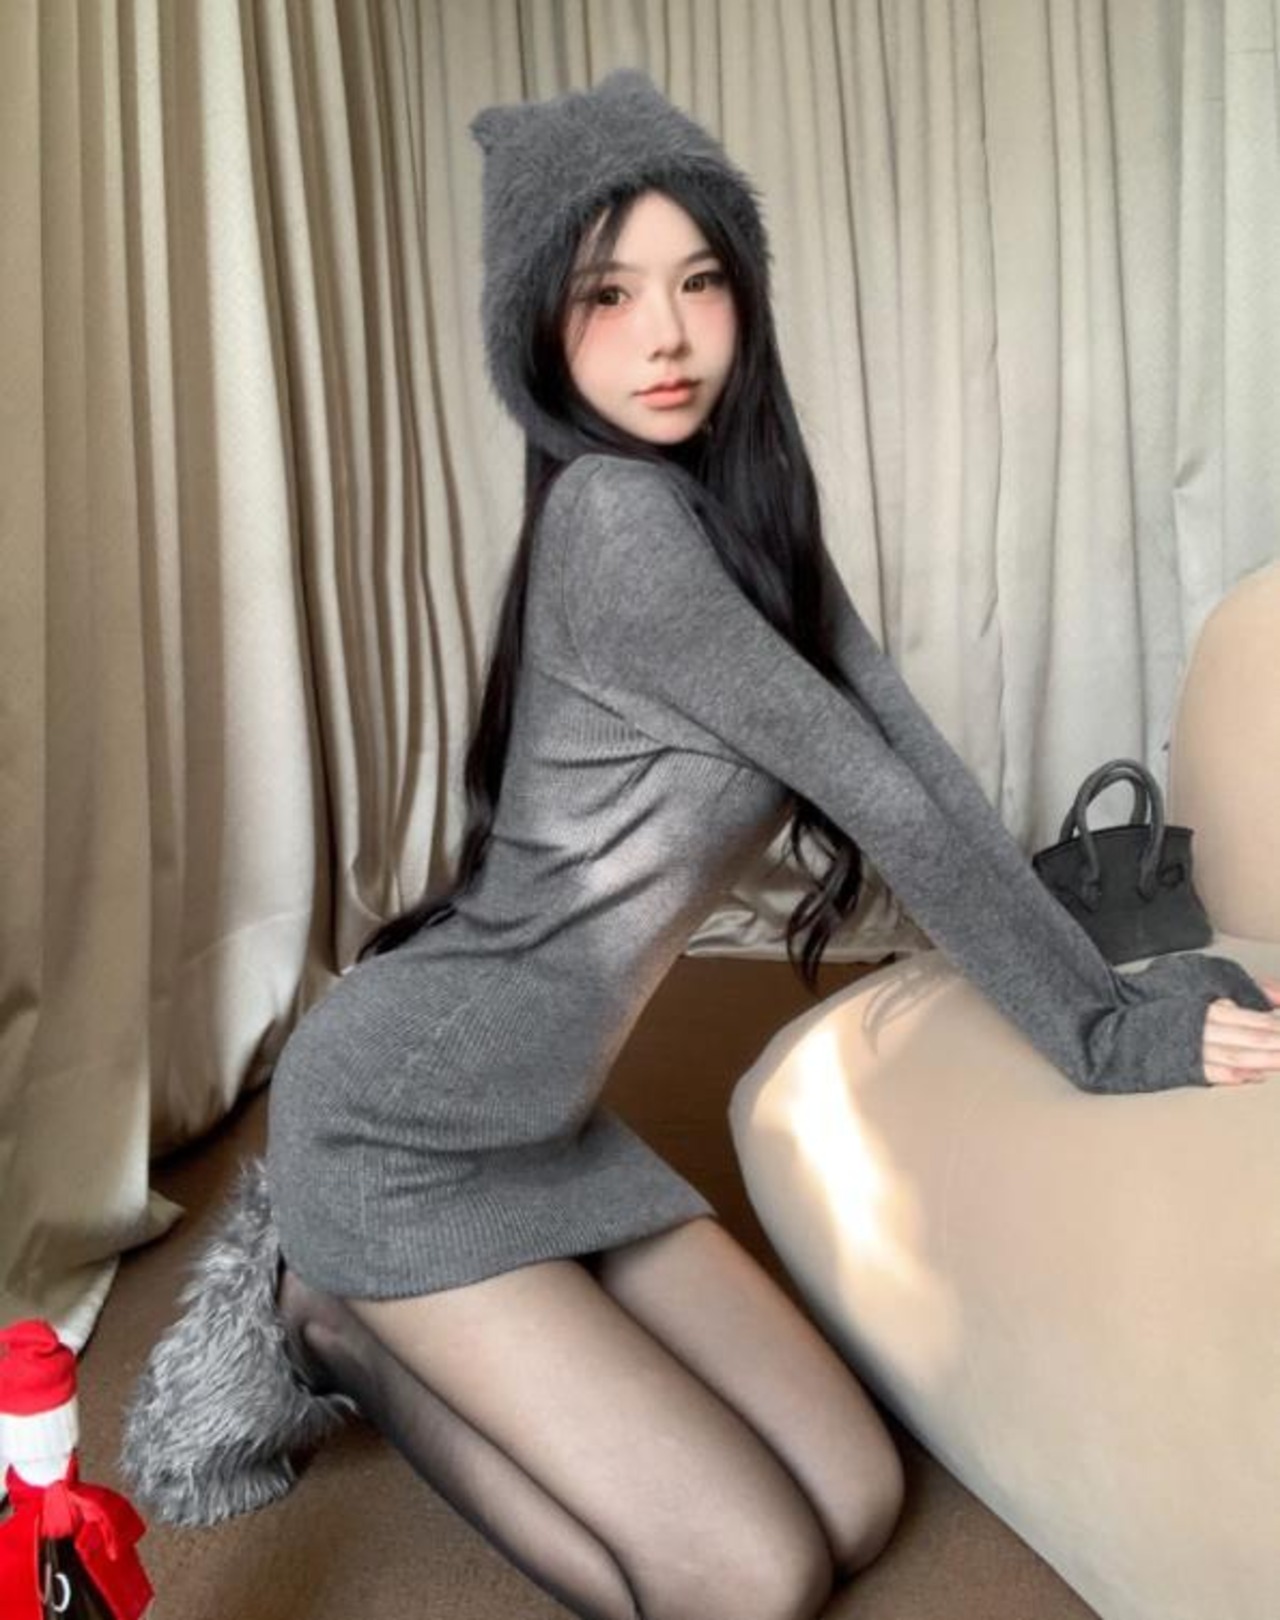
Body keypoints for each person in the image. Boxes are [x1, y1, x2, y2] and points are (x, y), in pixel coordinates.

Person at [122, 69, 1280, 1620]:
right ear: (541, 330)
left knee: (858, 1497)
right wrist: (1103, 1035)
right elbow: (884, 808)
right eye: (607, 294)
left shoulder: (743, 512)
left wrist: (1106, 1002)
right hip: (403, 1126)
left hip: (548, 1118)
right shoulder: (617, 522)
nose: (665, 335)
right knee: (751, 1575)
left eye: (700, 280)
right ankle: (327, 1318)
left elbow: (918, 767)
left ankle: (414, 1310)